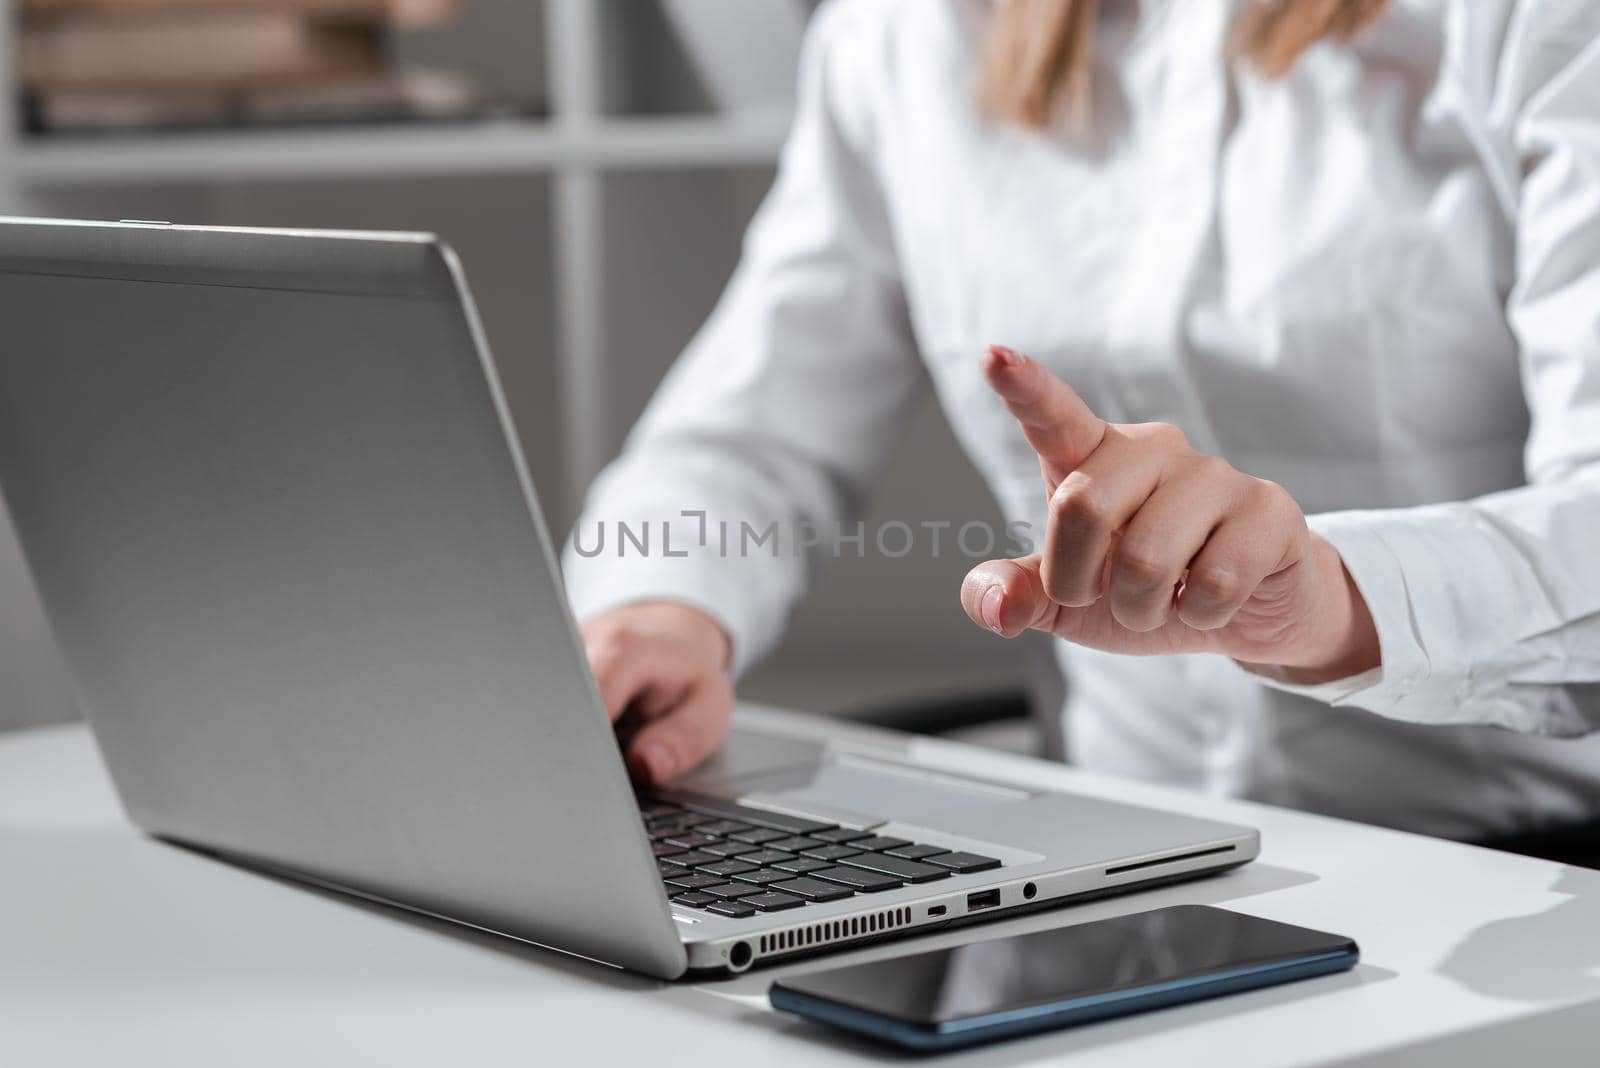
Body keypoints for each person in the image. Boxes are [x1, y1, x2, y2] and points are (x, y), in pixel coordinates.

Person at [562, 0, 1600, 845]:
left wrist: (1331, 597)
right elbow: (750, 440)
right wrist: (660, 609)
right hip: (1115, 868)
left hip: (1520, 870)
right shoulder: (900, 38)